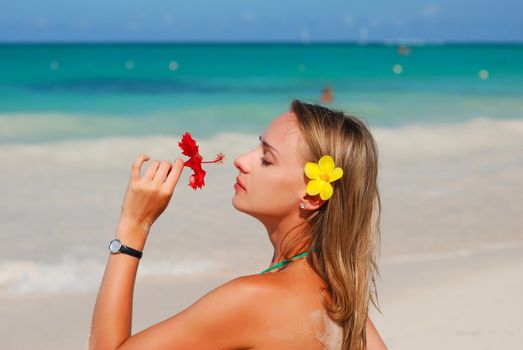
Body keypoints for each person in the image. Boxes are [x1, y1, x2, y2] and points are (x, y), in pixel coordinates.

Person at [89, 100, 387, 350]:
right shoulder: (344, 301)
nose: (242, 160)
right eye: (257, 147)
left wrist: (133, 225)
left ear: (311, 196)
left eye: (267, 159)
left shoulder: (253, 299)